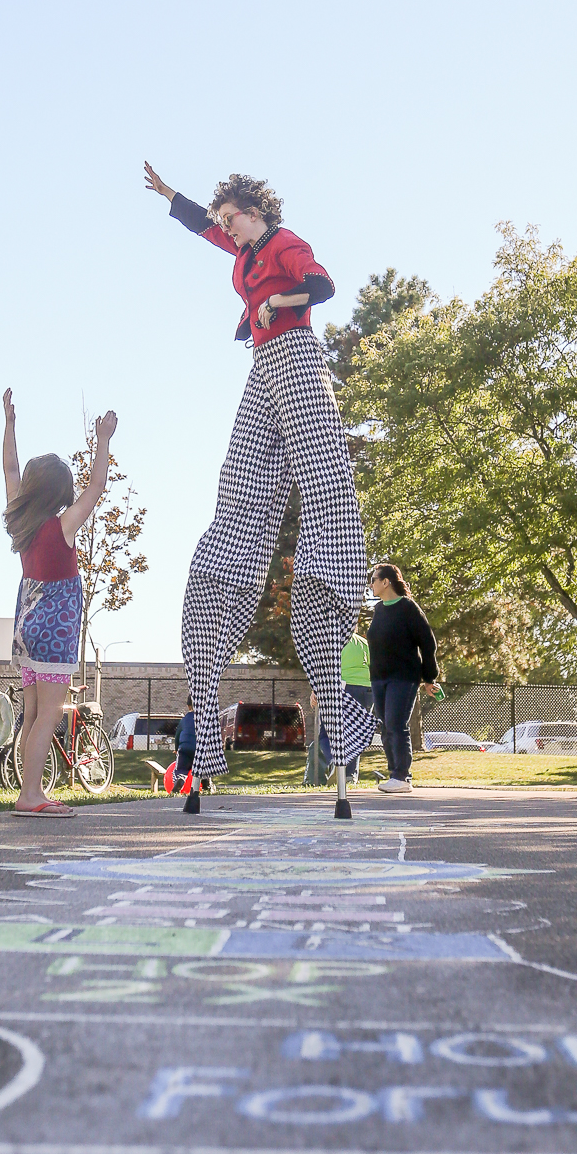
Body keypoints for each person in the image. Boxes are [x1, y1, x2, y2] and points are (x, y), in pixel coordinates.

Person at [144, 163, 375, 815]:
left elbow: (322, 284)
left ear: (256, 211)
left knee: (322, 477)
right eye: (224, 222)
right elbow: (203, 229)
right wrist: (171, 196)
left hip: (297, 357)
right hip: (262, 366)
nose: (228, 229)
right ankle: (221, 591)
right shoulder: (242, 249)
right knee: (240, 484)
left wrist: (280, 304)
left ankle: (332, 580)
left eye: (233, 218)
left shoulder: (283, 242)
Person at [3, 389, 116, 817]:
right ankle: (30, 795)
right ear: (60, 492)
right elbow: (97, 487)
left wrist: (10, 424)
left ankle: (30, 791)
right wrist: (103, 440)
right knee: (49, 714)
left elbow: (10, 468)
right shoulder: (62, 526)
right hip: (54, 631)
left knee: (33, 714)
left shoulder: (21, 522)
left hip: (26, 628)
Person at [366, 563, 441, 795]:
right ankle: (394, 775)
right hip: (379, 678)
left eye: (373, 579)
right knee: (385, 727)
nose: (370, 584)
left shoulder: (408, 608)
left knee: (396, 724)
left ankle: (402, 776)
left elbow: (427, 643)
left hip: (404, 677)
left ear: (386, 582)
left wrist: (429, 677)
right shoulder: (379, 609)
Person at [304, 633, 374, 786]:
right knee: (356, 734)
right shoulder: (364, 643)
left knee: (327, 733)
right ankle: (349, 776)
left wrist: (316, 689)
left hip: (342, 686)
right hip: (367, 689)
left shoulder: (333, 639)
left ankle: (335, 762)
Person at [172, 698, 196, 790]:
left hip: (184, 748)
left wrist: (176, 749)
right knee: (203, 769)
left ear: (188, 706)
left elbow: (177, 735)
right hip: (199, 748)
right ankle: (207, 785)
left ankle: (180, 779)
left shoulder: (184, 720)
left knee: (181, 769)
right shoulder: (204, 719)